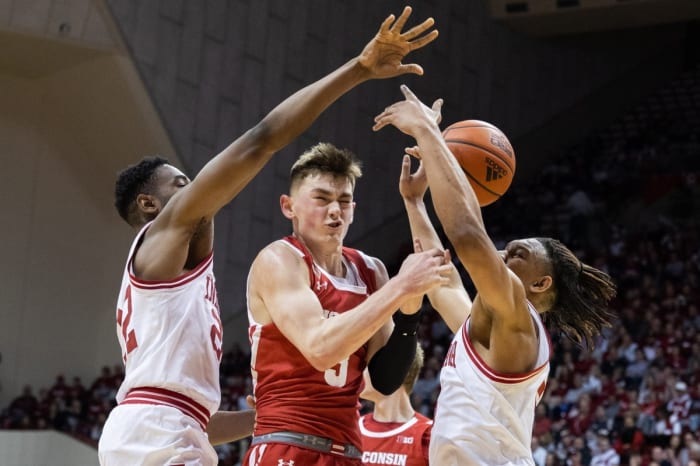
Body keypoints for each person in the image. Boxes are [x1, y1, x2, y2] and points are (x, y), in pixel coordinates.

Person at [97, 6, 439, 465]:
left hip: (163, 430)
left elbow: (186, 414)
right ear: (149, 205)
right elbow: (263, 139)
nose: (197, 187)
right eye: (183, 184)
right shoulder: (167, 234)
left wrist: (260, 420)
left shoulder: (174, 281)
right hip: (153, 437)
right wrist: (358, 70)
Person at [374, 84, 617, 465]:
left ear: (539, 284)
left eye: (517, 254)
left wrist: (428, 133)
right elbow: (442, 281)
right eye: (505, 249)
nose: (500, 256)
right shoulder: (486, 329)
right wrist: (413, 201)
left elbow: (470, 237)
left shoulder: (518, 318)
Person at [358, 343, 433, 466]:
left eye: (368, 364)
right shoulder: (353, 429)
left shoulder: (428, 434)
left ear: (393, 370)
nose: (359, 371)